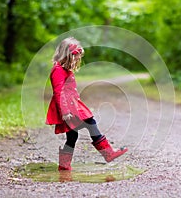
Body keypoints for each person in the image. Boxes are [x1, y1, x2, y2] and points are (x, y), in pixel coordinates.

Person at [46, 37, 128, 171]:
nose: (78, 60)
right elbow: (58, 92)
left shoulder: (65, 70)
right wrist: (65, 111)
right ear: (67, 56)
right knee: (89, 123)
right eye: (76, 57)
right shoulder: (58, 71)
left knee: (73, 135)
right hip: (67, 107)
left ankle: (64, 165)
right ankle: (108, 154)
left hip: (73, 105)